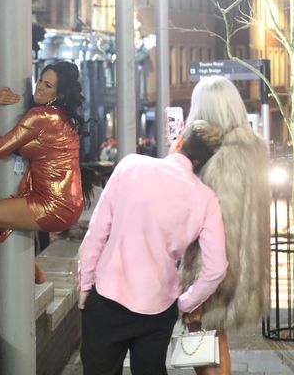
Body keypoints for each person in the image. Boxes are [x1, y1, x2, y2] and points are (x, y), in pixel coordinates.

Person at [78, 120, 228, 375]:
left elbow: (97, 231)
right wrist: (183, 303)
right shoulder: (206, 200)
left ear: (178, 142)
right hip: (159, 307)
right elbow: (216, 269)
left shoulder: (131, 165)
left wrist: (85, 284)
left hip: (108, 296)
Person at [0, 61, 85, 303]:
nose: (39, 87)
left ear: (58, 94)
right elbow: (6, 127)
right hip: (66, 200)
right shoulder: (59, 116)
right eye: (40, 80)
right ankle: (34, 271)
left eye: (47, 85)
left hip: (52, 203)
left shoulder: (42, 116)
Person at [179, 76, 271, 375]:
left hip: (217, 275)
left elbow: (222, 229)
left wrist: (197, 290)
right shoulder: (253, 148)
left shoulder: (220, 160)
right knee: (217, 344)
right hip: (241, 270)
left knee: (204, 346)